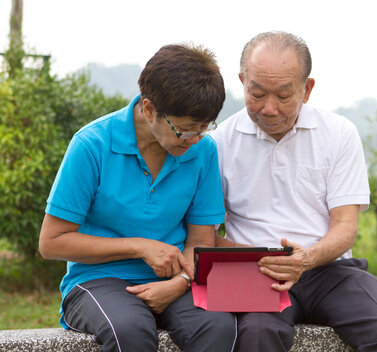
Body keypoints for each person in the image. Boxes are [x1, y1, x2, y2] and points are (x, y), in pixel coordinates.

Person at [211, 31, 377, 352]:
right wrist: (258, 257)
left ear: (307, 89)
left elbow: (346, 226)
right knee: (256, 334)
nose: (268, 108)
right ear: (242, 81)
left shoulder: (339, 134)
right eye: (257, 93)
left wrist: (306, 258)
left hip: (329, 269)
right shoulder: (218, 142)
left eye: (283, 95)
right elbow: (205, 232)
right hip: (254, 271)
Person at [39, 43, 236, 352]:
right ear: (149, 109)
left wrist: (181, 283)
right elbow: (52, 242)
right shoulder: (92, 145)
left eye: (204, 127)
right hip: (97, 279)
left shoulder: (203, 151)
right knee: (129, 331)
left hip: (177, 279)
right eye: (185, 130)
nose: (196, 138)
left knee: (219, 326)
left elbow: (200, 241)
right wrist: (140, 247)